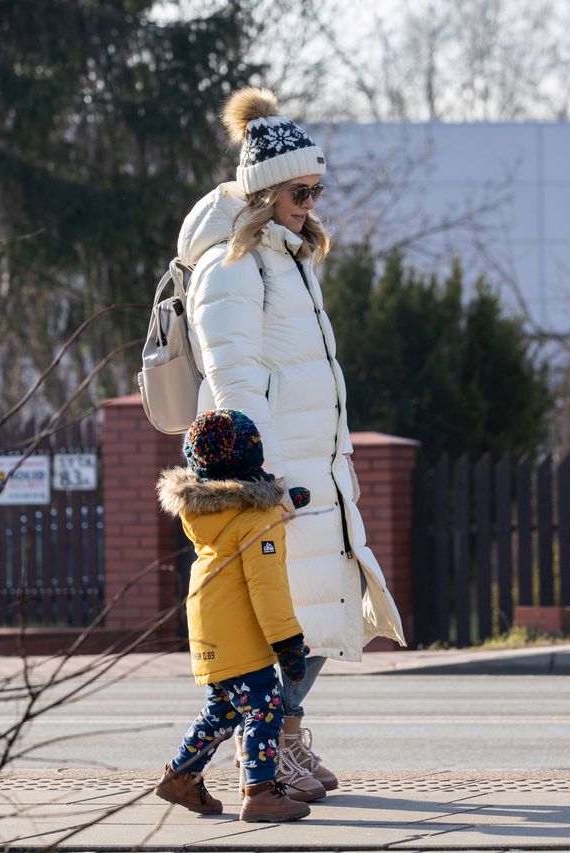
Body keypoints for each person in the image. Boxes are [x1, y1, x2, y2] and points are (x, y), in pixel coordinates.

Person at [175, 86, 406, 796]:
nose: (312, 202)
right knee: (289, 622)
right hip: (274, 473)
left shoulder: (287, 258)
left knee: (319, 611)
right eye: (300, 190)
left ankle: (260, 747)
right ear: (266, 191)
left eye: (316, 189)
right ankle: (269, 751)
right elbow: (234, 373)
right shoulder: (232, 265)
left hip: (315, 467)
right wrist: (257, 475)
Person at [154, 408, 315, 822]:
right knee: (266, 707)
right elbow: (268, 588)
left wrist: (282, 504)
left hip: (208, 625)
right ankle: (260, 792)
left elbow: (239, 515)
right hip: (241, 630)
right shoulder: (258, 518)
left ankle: (180, 777)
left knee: (222, 712)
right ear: (251, 461)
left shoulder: (203, 512)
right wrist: (288, 643)